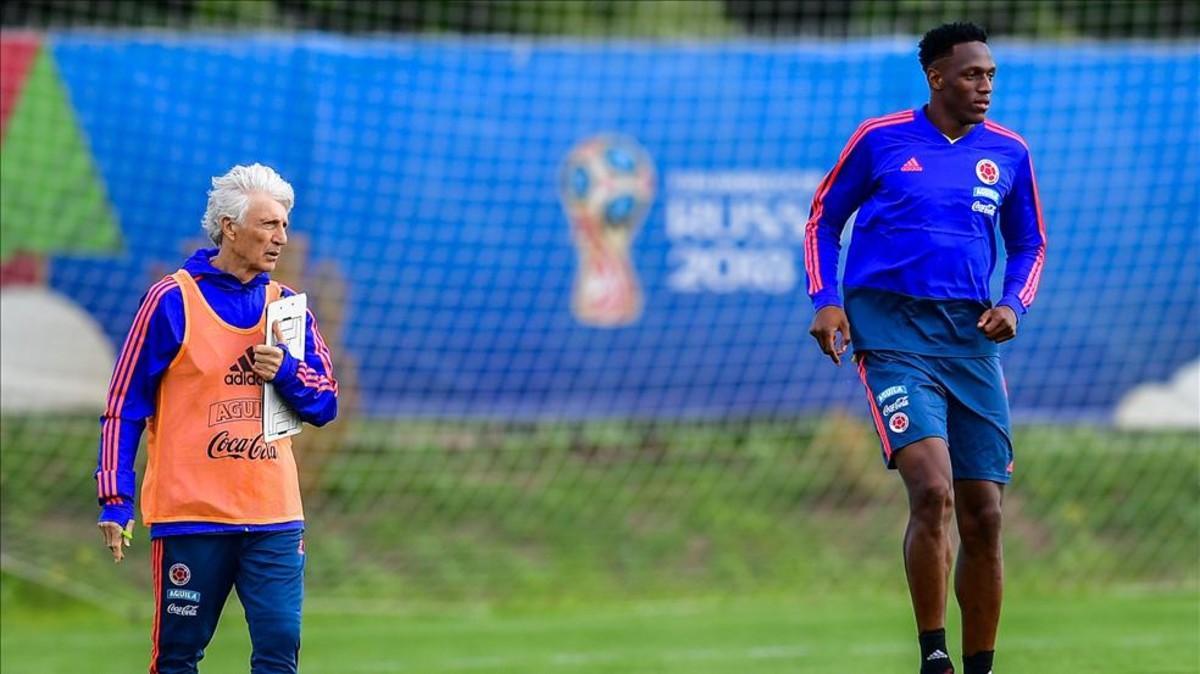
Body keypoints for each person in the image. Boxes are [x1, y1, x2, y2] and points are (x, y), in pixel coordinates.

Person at [803, 22, 1046, 674]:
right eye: (971, 75)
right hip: (890, 334)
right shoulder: (880, 139)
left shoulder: (1010, 152)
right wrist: (826, 298)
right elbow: (824, 217)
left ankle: (979, 665)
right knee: (933, 491)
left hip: (967, 340)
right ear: (936, 76)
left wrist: (1012, 305)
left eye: (991, 75)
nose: (985, 87)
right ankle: (933, 655)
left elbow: (1029, 245)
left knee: (985, 514)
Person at [94, 163, 339, 674]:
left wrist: (287, 372)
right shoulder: (170, 300)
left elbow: (324, 402)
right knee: (178, 656)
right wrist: (115, 499)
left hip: (274, 516)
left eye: (285, 226)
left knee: (280, 647)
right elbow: (124, 405)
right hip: (192, 515)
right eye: (269, 225)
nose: (282, 238)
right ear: (230, 227)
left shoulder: (288, 309)